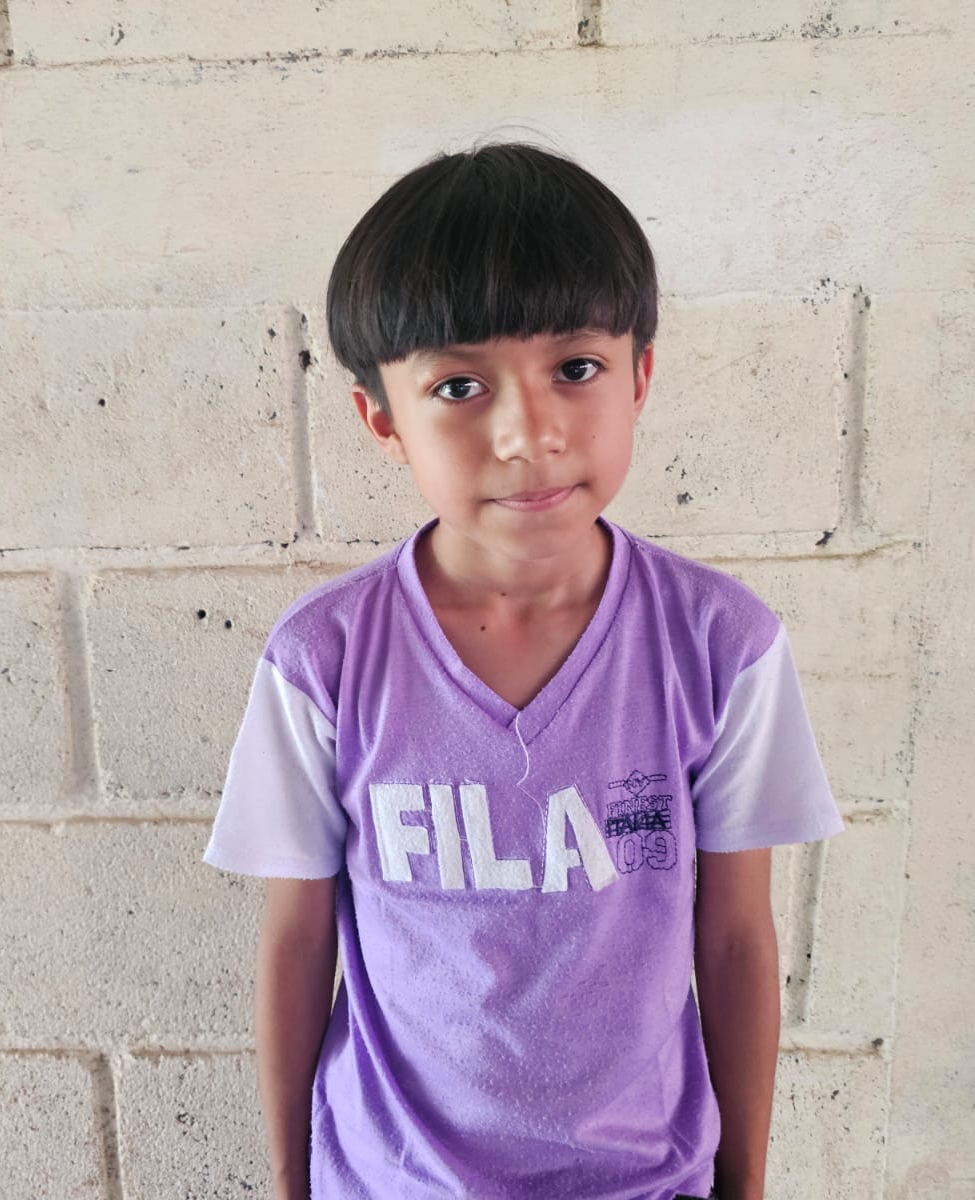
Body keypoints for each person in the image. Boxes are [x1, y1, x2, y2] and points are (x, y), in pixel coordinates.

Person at [202, 141, 845, 1200]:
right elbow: (297, 939)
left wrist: (745, 1183)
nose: (527, 433)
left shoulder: (721, 646)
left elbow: (734, 937)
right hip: (394, 1182)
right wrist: (288, 1181)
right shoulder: (325, 660)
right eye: (458, 385)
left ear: (640, 376)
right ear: (382, 420)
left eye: (575, 369)